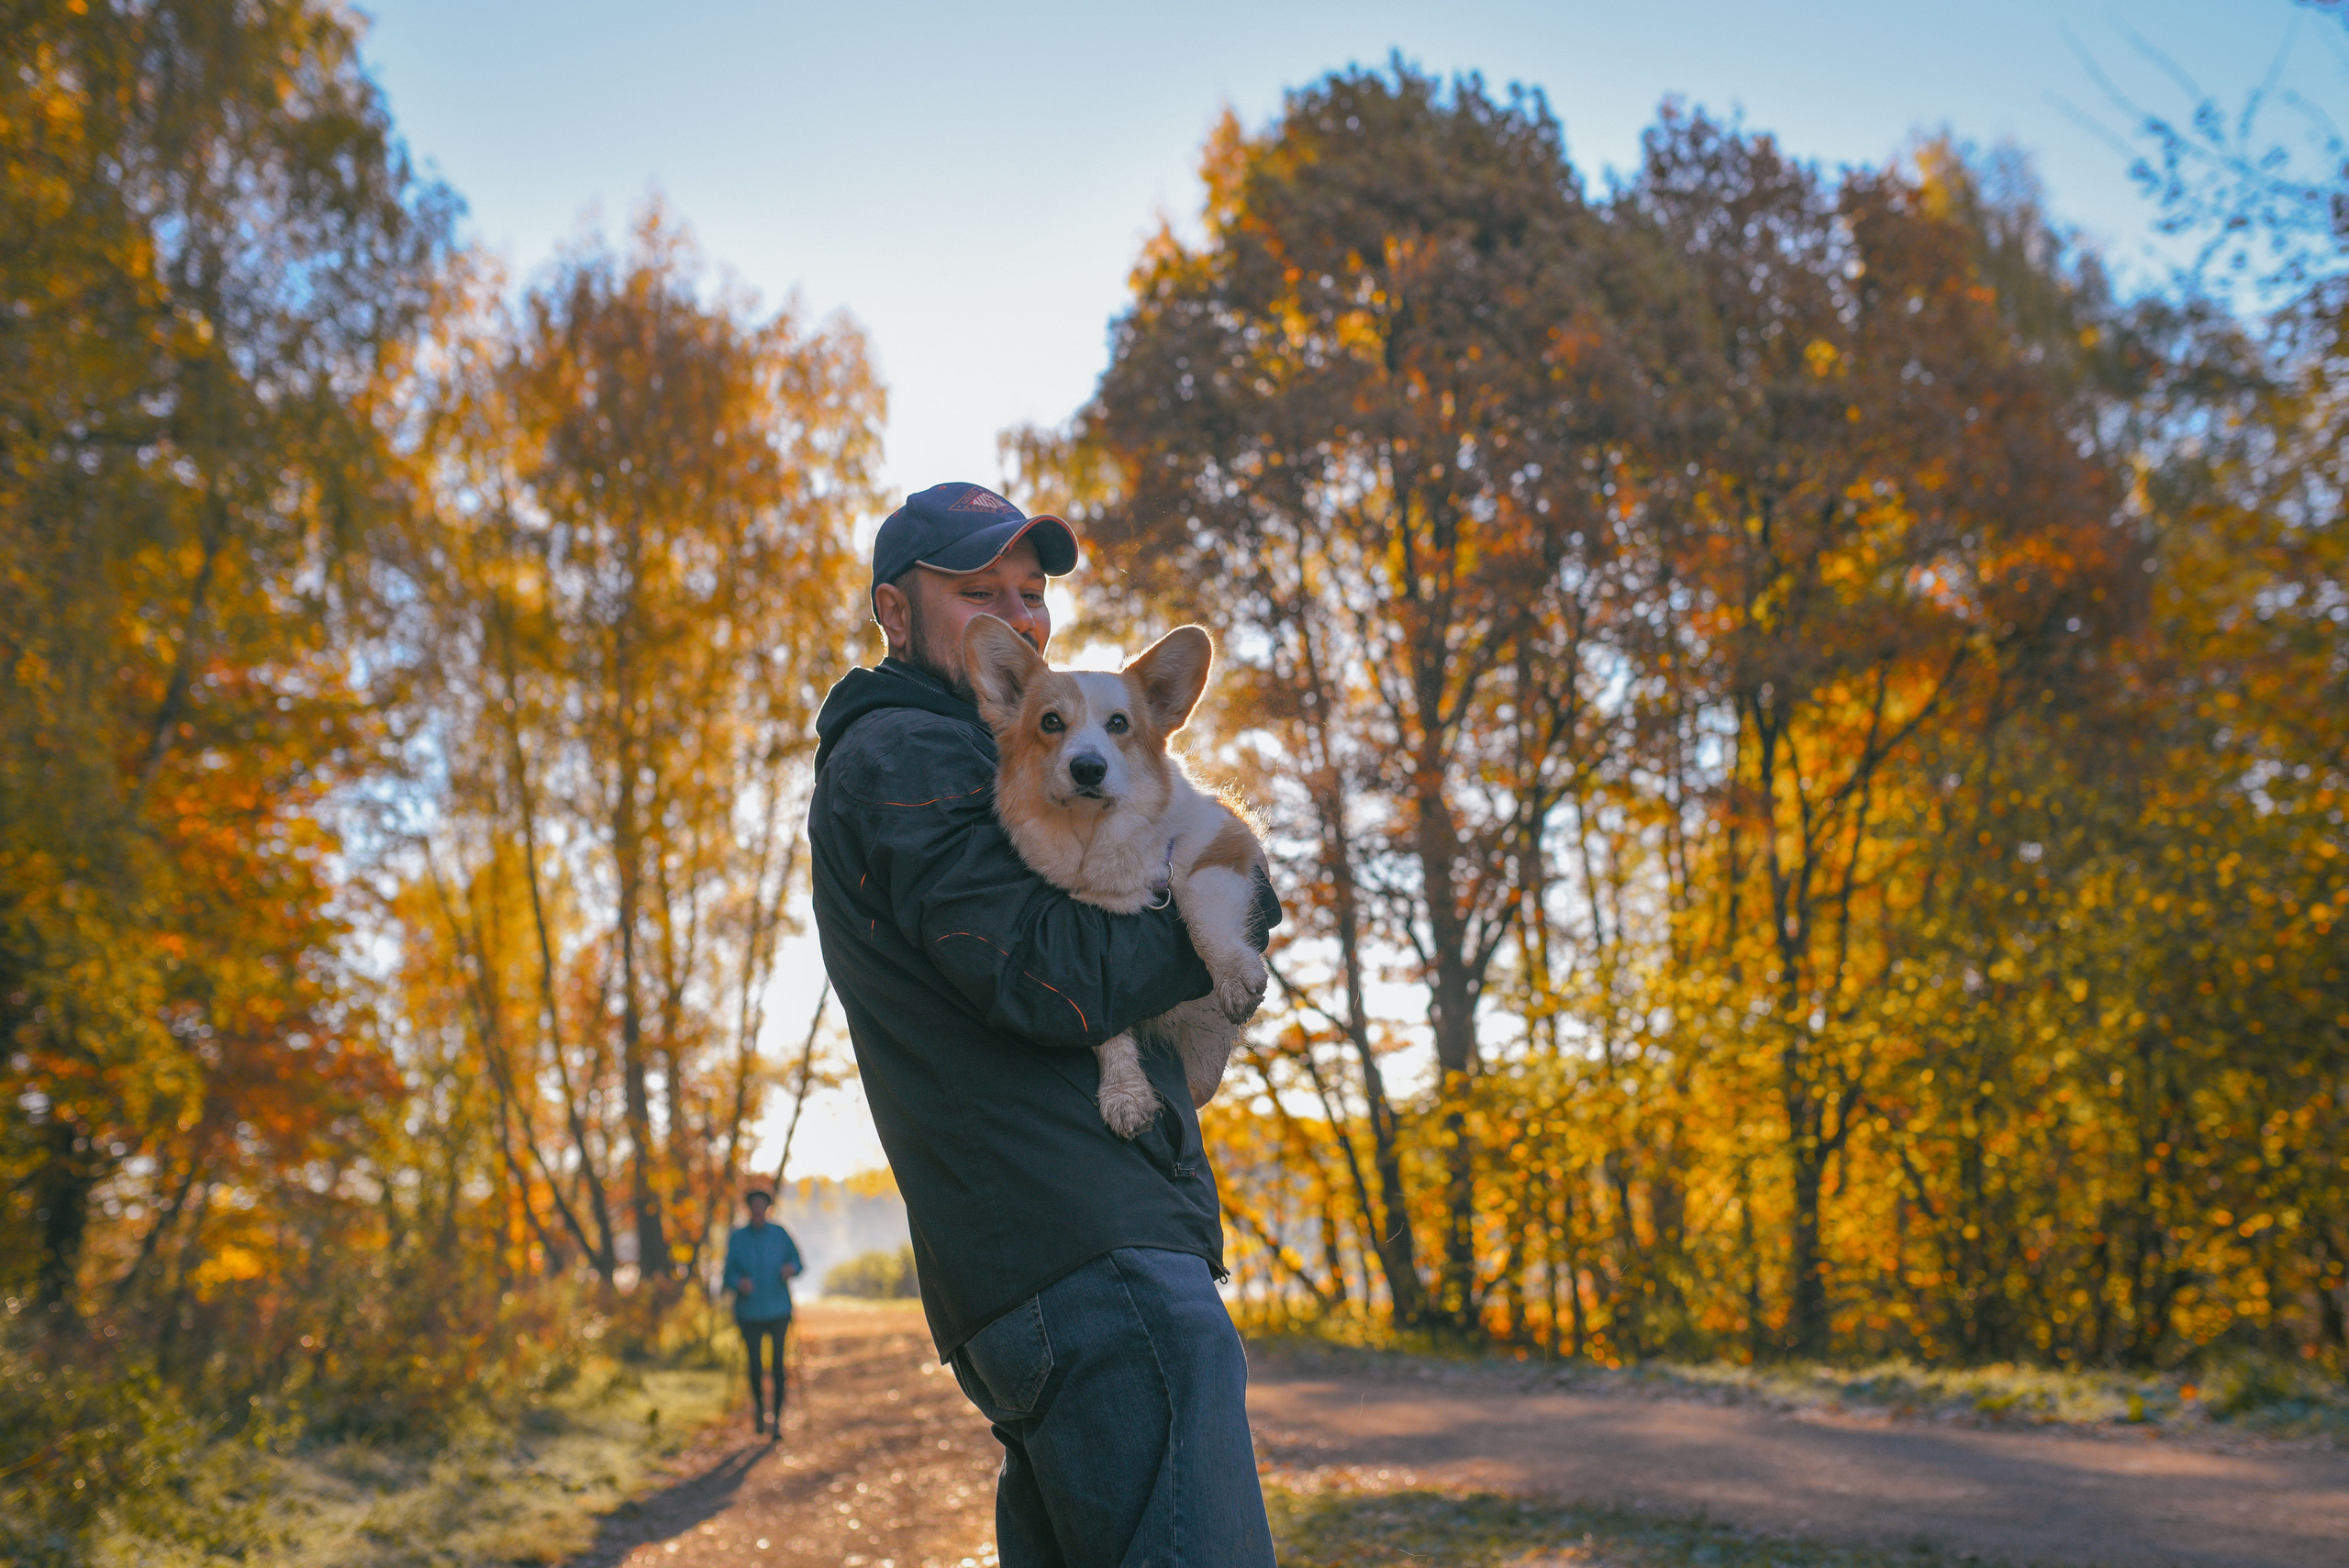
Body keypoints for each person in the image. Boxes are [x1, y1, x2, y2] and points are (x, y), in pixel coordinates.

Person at [807, 482, 1281, 1566]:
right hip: (1080, 1245)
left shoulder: (991, 748)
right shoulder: (906, 756)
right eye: (978, 591)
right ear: (894, 610)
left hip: (1054, 1251)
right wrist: (1238, 892)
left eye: (1032, 592)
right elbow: (1047, 976)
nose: (1016, 614)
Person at [723, 1186, 802, 1436]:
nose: (758, 1210)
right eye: (754, 1206)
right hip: (749, 1313)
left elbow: (799, 1262)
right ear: (749, 1208)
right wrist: (739, 1283)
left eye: (762, 1205)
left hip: (779, 1309)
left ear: (768, 1208)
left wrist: (791, 1268)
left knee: (778, 1365)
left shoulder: (780, 1233)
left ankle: (776, 1420)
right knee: (755, 1365)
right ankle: (759, 1410)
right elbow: (727, 1275)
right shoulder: (737, 1237)